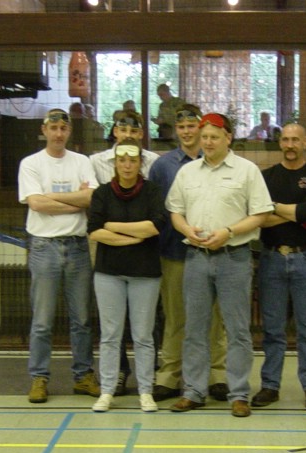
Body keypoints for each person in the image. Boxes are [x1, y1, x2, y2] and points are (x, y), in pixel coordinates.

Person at [166, 112, 273, 417]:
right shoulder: (188, 174)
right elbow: (175, 212)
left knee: (238, 330)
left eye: (214, 137)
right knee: (195, 329)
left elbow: (261, 214)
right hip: (196, 259)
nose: (208, 142)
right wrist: (188, 232)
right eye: (204, 137)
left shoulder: (247, 171)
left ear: (228, 138)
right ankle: (194, 391)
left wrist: (228, 232)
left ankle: (238, 393)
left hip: (234, 259)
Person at [148, 104, 229, 403]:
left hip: (214, 253)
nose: (186, 131)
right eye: (180, 127)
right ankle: (170, 376)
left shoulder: (218, 163)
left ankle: (217, 376)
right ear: (176, 130)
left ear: (201, 127)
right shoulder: (163, 166)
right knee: (175, 317)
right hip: (174, 254)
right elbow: (158, 210)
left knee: (214, 318)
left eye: (191, 126)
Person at [19, 108, 101, 404]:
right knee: (42, 321)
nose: (57, 133)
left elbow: (91, 198)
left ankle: (83, 376)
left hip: (77, 246)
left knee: (81, 318)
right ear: (44, 130)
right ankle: (39, 377)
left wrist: (50, 198)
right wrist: (74, 202)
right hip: (44, 247)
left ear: (69, 132)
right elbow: (36, 205)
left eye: (62, 128)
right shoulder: (30, 164)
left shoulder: (82, 162)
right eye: (52, 128)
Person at [88, 138, 167, 413]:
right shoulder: (101, 194)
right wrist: (135, 236)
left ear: (140, 163)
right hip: (108, 274)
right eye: (122, 160)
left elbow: (155, 226)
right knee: (110, 335)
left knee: (144, 335)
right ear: (115, 162)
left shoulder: (153, 191)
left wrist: (114, 228)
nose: (127, 165)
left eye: (132, 160)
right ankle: (107, 390)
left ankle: (146, 391)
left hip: (145, 274)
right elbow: (95, 230)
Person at [251, 123, 306, 410]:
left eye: (296, 139)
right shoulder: (266, 177)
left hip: (305, 257)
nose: (290, 144)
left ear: (305, 142)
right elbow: (259, 217)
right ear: (279, 143)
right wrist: (295, 213)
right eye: (285, 139)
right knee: (272, 328)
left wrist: (276, 208)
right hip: (271, 257)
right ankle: (270, 385)